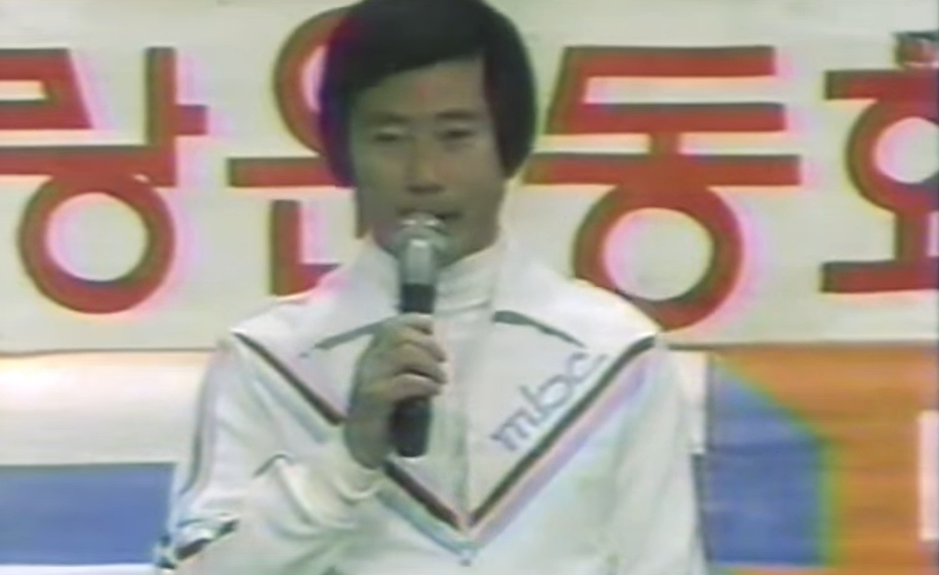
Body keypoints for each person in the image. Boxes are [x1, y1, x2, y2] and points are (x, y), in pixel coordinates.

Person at [154, 0, 707, 573]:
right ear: (343, 154)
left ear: (508, 146)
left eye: (455, 136)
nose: (424, 175)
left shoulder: (613, 354)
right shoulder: (268, 360)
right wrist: (348, 456)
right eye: (389, 139)